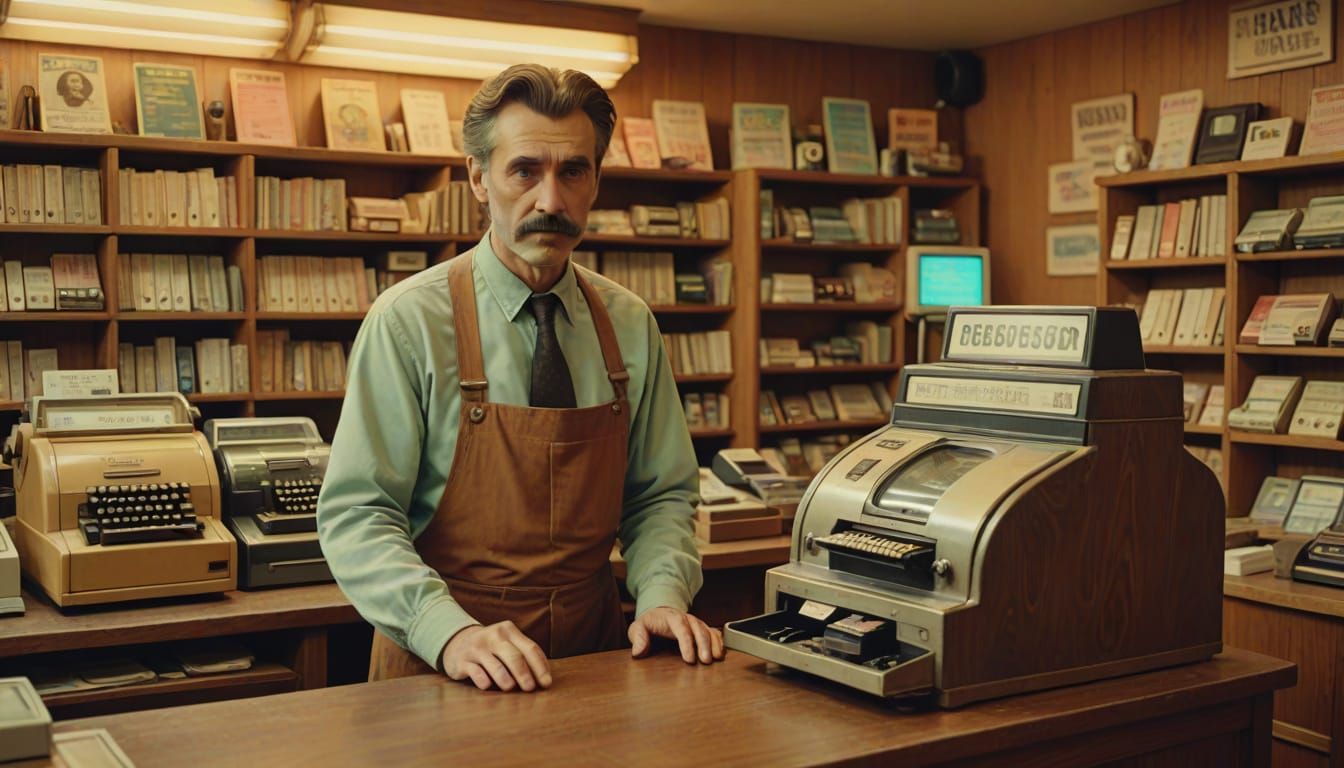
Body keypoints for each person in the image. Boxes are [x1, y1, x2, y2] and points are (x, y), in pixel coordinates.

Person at [317, 63, 724, 694]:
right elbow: (358, 514)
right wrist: (446, 631)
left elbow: (660, 495)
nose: (551, 201)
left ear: (596, 181)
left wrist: (662, 596)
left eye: (573, 172)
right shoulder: (408, 323)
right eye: (524, 170)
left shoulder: (630, 325)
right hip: (443, 667)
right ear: (479, 178)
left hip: (597, 664)